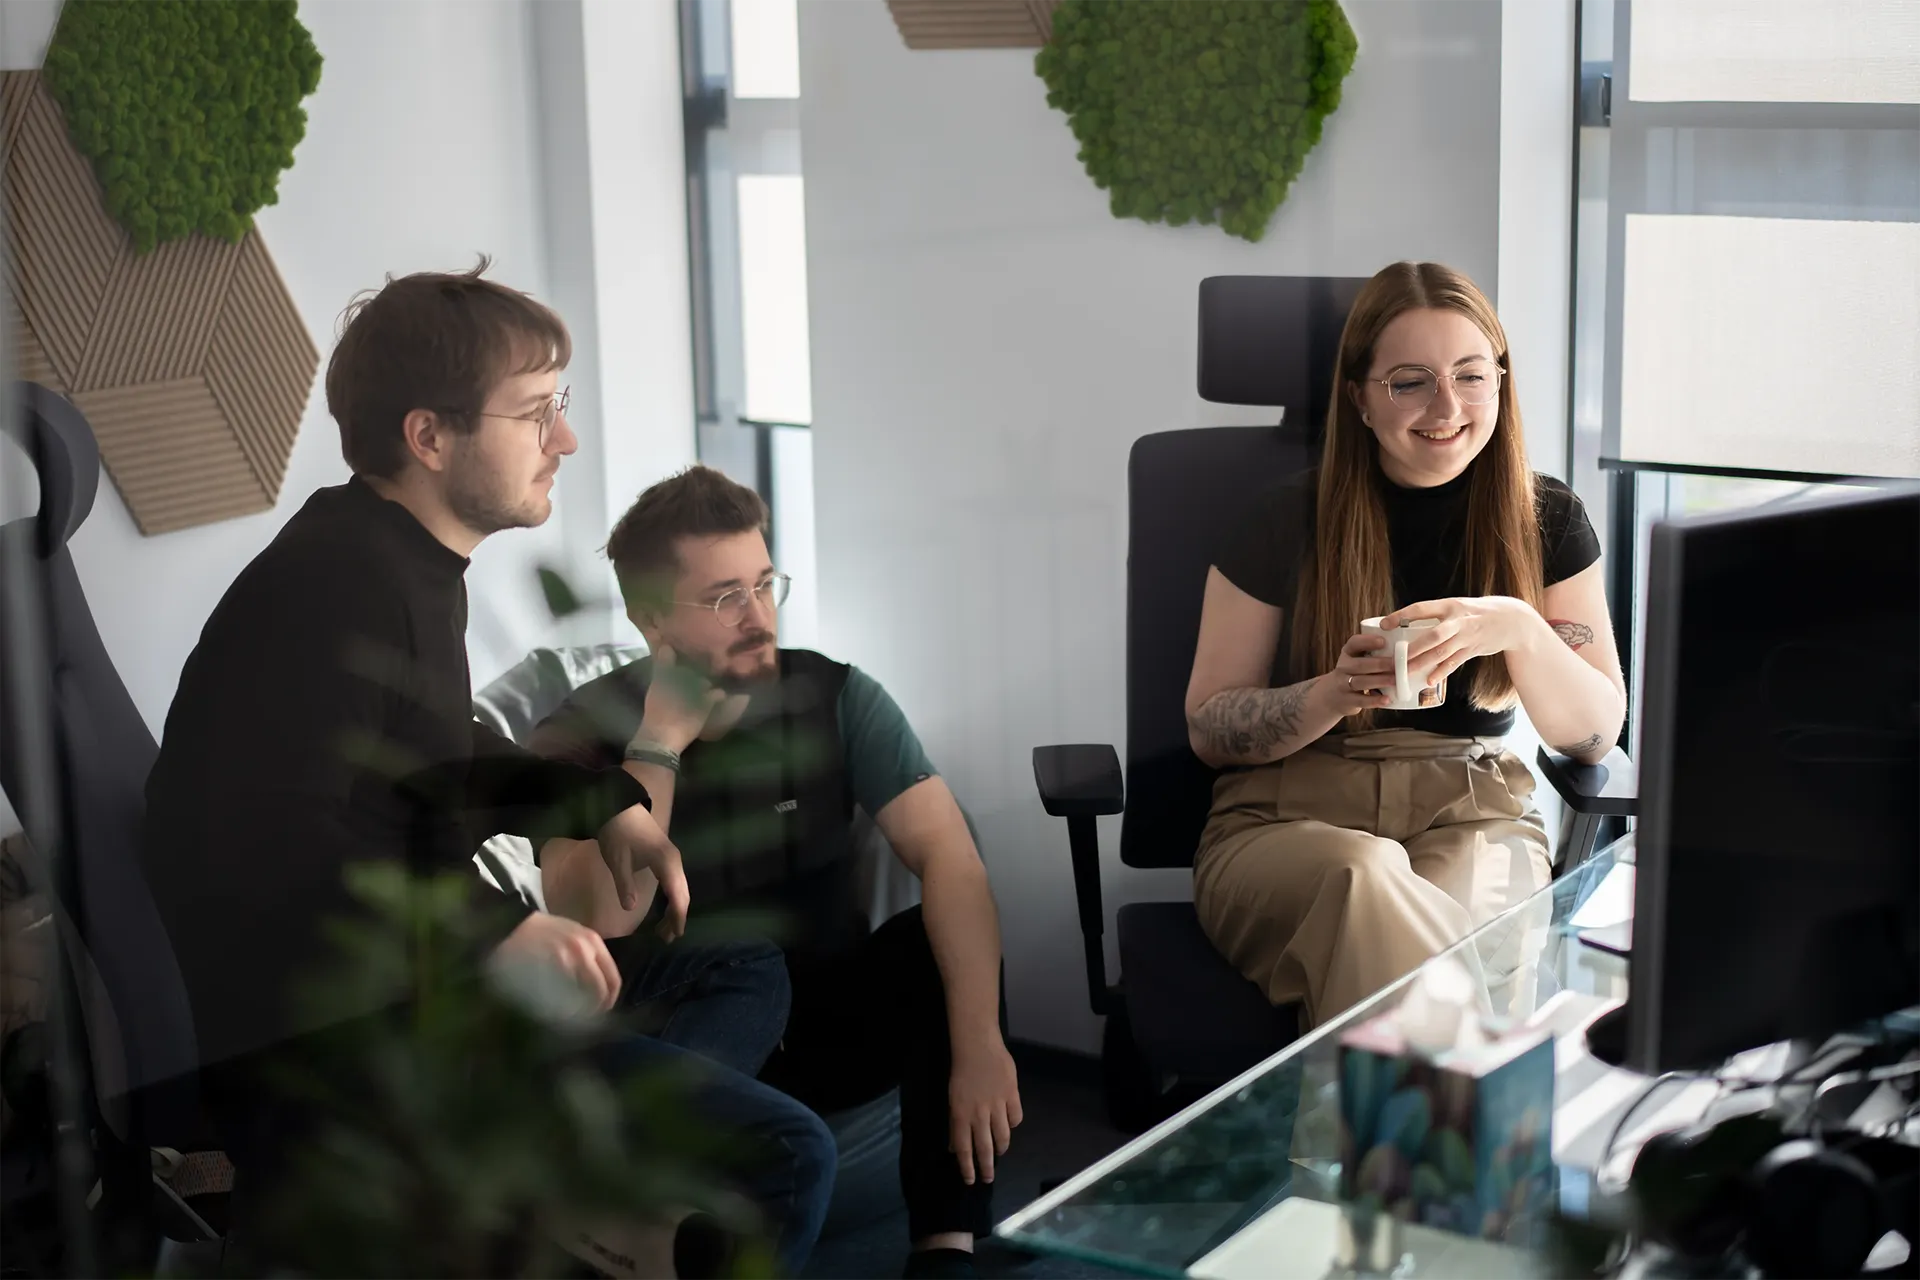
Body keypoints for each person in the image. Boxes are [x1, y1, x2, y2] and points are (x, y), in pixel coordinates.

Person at [140, 263, 834, 1273]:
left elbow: (440, 750)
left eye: (561, 406)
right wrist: (495, 934)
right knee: (790, 1152)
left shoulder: (397, 559)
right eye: (536, 412)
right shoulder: (335, 584)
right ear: (430, 436)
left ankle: (581, 1167)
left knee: (737, 960)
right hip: (361, 1042)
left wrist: (609, 807)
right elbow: (269, 842)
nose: (566, 439)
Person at [526, 465, 1020, 1280]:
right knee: (744, 967)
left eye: (764, 584)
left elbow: (950, 859)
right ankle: (640, 1196)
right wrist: (657, 744)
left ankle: (947, 1250)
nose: (759, 617)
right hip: (681, 1038)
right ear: (652, 619)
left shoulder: (836, 697)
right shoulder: (576, 736)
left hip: (822, 1015)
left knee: (937, 937)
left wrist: (980, 1047)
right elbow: (605, 917)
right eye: (725, 598)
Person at [1183, 260, 1626, 1029]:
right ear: (1360, 397)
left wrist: (1518, 629)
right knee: (1367, 878)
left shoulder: (1547, 519)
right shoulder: (1281, 520)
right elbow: (1209, 729)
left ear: (1501, 381)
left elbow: (1594, 735)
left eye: (1470, 375)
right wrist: (1330, 694)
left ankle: (1378, 1151)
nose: (1447, 406)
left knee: (1436, 931)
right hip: (1286, 816)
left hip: (1473, 809)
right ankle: (1477, 1134)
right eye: (1410, 381)